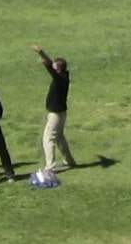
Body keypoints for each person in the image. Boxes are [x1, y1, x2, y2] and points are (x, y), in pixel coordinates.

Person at [34, 46, 76, 175]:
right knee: (59, 138)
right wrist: (46, 62)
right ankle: (69, 161)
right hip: (61, 113)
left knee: (48, 139)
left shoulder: (59, 79)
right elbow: (51, 66)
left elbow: (50, 67)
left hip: (56, 114)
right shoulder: (63, 76)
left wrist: (41, 53)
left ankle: (50, 167)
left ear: (58, 69)